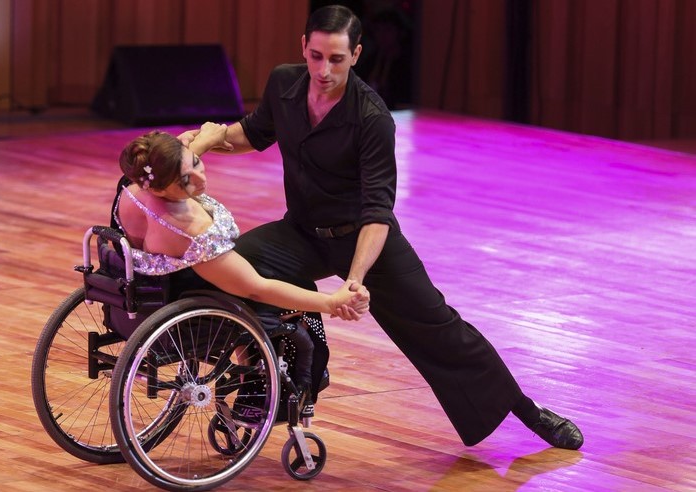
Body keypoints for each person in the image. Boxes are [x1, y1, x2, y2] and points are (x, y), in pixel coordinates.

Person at [190, 5, 583, 450]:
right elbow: (255, 132)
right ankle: (270, 385)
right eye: (316, 56)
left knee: (440, 329)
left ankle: (530, 413)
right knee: (227, 266)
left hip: (364, 240)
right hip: (300, 233)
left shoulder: (371, 117)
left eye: (336, 59)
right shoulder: (285, 82)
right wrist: (205, 141)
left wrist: (353, 282)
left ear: (356, 54)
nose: (323, 69)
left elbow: (377, 213)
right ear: (304, 47)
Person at [111, 124, 369, 419]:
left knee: (263, 255)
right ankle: (271, 389)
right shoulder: (192, 231)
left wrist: (202, 143)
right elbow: (255, 287)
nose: (200, 179)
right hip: (197, 299)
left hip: (147, 289)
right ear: (157, 187)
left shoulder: (133, 188)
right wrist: (331, 302)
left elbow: (173, 165)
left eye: (196, 163)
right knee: (294, 287)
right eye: (186, 180)